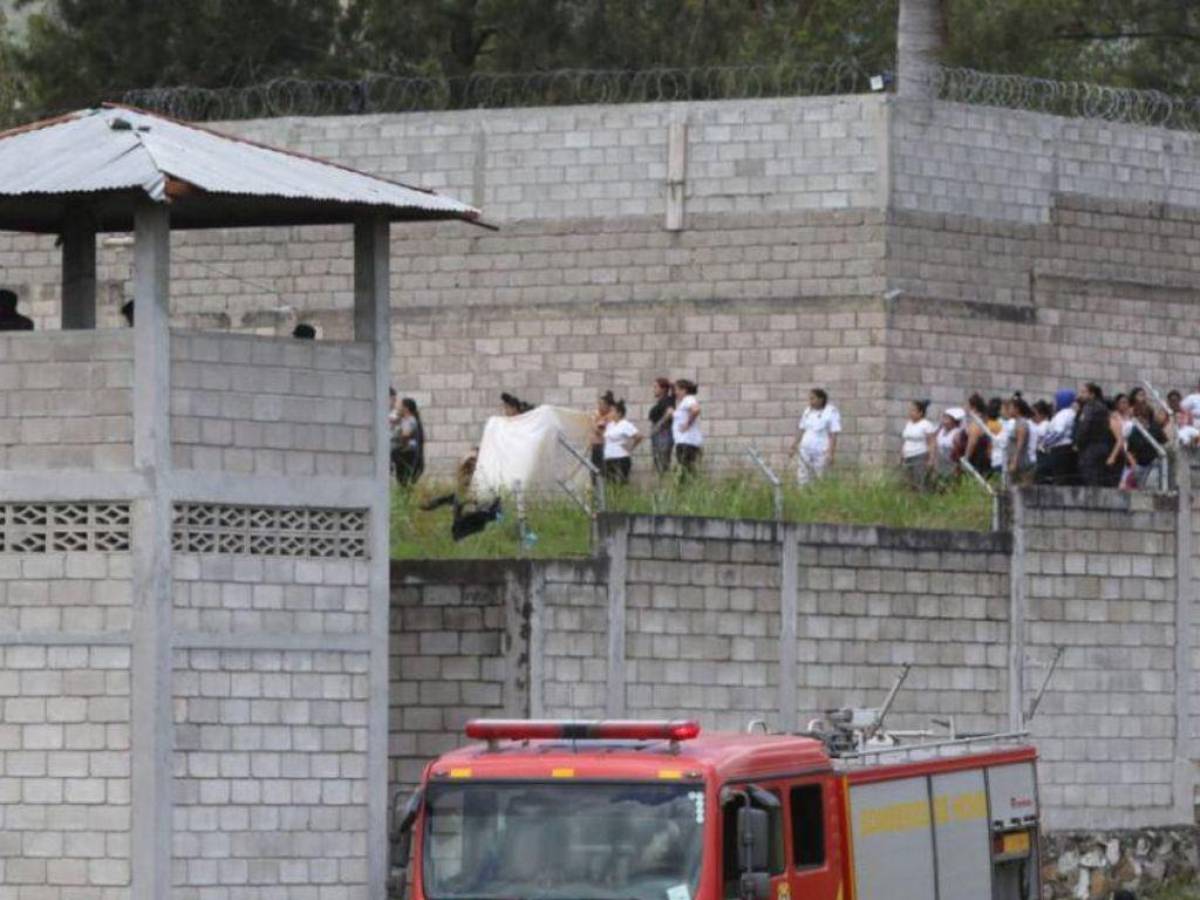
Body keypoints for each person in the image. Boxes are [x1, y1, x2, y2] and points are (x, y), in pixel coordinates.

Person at [790, 388, 841, 484]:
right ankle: (803, 495)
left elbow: (834, 434)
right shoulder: (808, 411)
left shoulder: (831, 412)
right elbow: (801, 429)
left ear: (820, 399)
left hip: (821, 449)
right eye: (809, 399)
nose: (810, 401)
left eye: (813, 399)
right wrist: (793, 446)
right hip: (805, 447)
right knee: (802, 474)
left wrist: (831, 453)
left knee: (820, 475)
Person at [1075, 382, 1121, 487]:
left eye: (1083, 392)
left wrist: (1077, 442)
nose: (1080, 395)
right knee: (1097, 478)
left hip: (1090, 448)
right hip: (1102, 447)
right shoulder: (1102, 407)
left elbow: (1085, 427)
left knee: (1089, 478)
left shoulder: (1089, 407)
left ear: (1092, 394)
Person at [1036, 389, 1078, 485]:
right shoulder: (1071, 413)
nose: (1054, 403)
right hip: (1066, 448)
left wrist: (1045, 443)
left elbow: (1058, 432)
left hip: (1060, 449)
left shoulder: (1063, 414)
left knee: (1059, 478)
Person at [900, 400, 937, 490]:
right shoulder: (909, 424)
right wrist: (902, 454)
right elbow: (906, 440)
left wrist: (931, 459)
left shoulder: (926, 425)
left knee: (920, 482)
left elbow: (931, 442)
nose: (910, 413)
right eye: (910, 410)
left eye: (913, 410)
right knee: (909, 483)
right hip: (908, 456)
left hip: (920, 456)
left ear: (920, 413)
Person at [603, 400, 642, 484]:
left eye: (613, 411)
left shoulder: (625, 424)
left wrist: (631, 447)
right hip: (609, 458)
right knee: (610, 484)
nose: (611, 413)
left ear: (619, 413)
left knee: (621, 483)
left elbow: (638, 436)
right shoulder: (610, 424)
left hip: (620, 458)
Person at [671, 380, 703, 475]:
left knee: (686, 471)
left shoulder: (688, 399)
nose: (675, 393)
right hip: (684, 441)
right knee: (687, 470)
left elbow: (696, 410)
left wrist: (687, 424)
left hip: (686, 442)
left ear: (684, 390)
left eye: (676, 390)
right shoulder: (683, 402)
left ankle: (690, 488)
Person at [391, 398, 425, 487]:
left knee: (403, 481)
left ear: (406, 408)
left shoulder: (410, 420)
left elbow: (406, 434)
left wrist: (395, 439)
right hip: (403, 454)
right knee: (401, 481)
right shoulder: (404, 420)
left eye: (400, 406)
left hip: (406, 455)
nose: (398, 408)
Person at [1004, 395, 1036, 486]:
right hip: (1015, 461)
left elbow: (1020, 443)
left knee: (1020, 488)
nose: (1009, 410)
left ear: (1017, 409)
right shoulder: (1016, 422)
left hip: (1020, 463)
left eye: (1010, 408)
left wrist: (1014, 461)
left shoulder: (1022, 423)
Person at [647, 377, 675, 475]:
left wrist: (658, 425)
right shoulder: (664, 400)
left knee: (662, 465)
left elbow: (670, 412)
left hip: (663, 434)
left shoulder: (667, 400)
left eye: (656, 387)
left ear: (663, 389)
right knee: (659, 464)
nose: (654, 389)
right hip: (660, 435)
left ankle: (665, 488)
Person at [962, 394, 993, 477]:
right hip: (981, 457)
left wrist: (966, 458)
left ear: (973, 408)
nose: (965, 407)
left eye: (967, 405)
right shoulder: (982, 420)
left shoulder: (976, 423)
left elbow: (972, 442)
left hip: (976, 458)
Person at [933, 408, 965, 481]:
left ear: (954, 421)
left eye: (947, 419)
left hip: (952, 465)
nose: (944, 421)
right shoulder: (941, 431)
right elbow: (935, 446)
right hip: (940, 464)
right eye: (944, 418)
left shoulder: (957, 433)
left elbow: (958, 453)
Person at [590, 391, 615, 472]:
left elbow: (602, 430)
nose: (599, 406)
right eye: (599, 404)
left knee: (606, 470)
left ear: (607, 406)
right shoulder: (596, 414)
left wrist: (600, 424)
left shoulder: (612, 415)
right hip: (596, 445)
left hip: (606, 446)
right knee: (594, 469)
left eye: (601, 404)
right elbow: (595, 428)